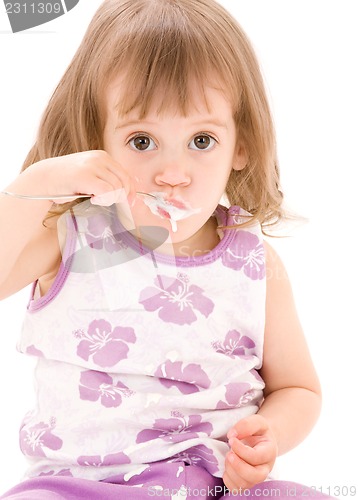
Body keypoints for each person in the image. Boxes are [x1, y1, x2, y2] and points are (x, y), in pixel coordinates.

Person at [0, 0, 334, 498]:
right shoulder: (72, 236)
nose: (173, 174)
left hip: (213, 486)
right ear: (96, 142)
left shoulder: (254, 264)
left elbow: (298, 389)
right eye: (141, 142)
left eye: (201, 140)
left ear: (241, 144)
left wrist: (269, 437)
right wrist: (33, 187)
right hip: (76, 486)